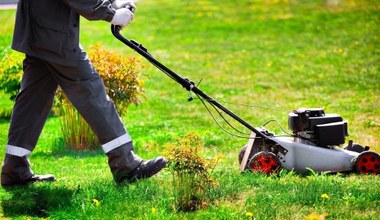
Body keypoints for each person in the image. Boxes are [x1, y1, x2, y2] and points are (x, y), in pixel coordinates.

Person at [1, 0, 167, 187]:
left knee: (32, 101)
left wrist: (113, 2)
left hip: (40, 30)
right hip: (54, 35)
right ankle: (126, 166)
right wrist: (110, 13)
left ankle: (14, 168)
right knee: (91, 92)